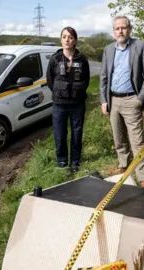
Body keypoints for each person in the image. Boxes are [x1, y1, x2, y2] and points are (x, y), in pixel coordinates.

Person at [99, 15, 144, 187]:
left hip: (132, 99)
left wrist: (140, 99)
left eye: (123, 28)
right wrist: (103, 100)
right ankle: (123, 165)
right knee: (118, 138)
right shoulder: (108, 50)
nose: (120, 31)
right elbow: (103, 77)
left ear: (129, 29)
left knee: (137, 141)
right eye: (117, 28)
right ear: (113, 31)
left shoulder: (140, 46)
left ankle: (143, 176)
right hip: (113, 100)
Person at [46, 26, 90, 172]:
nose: (67, 40)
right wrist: (61, 92)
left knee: (76, 135)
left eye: (70, 37)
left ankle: (75, 162)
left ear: (75, 41)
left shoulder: (82, 59)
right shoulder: (55, 59)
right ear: (61, 39)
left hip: (77, 105)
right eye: (64, 36)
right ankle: (62, 161)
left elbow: (86, 80)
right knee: (60, 135)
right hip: (59, 105)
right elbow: (50, 81)